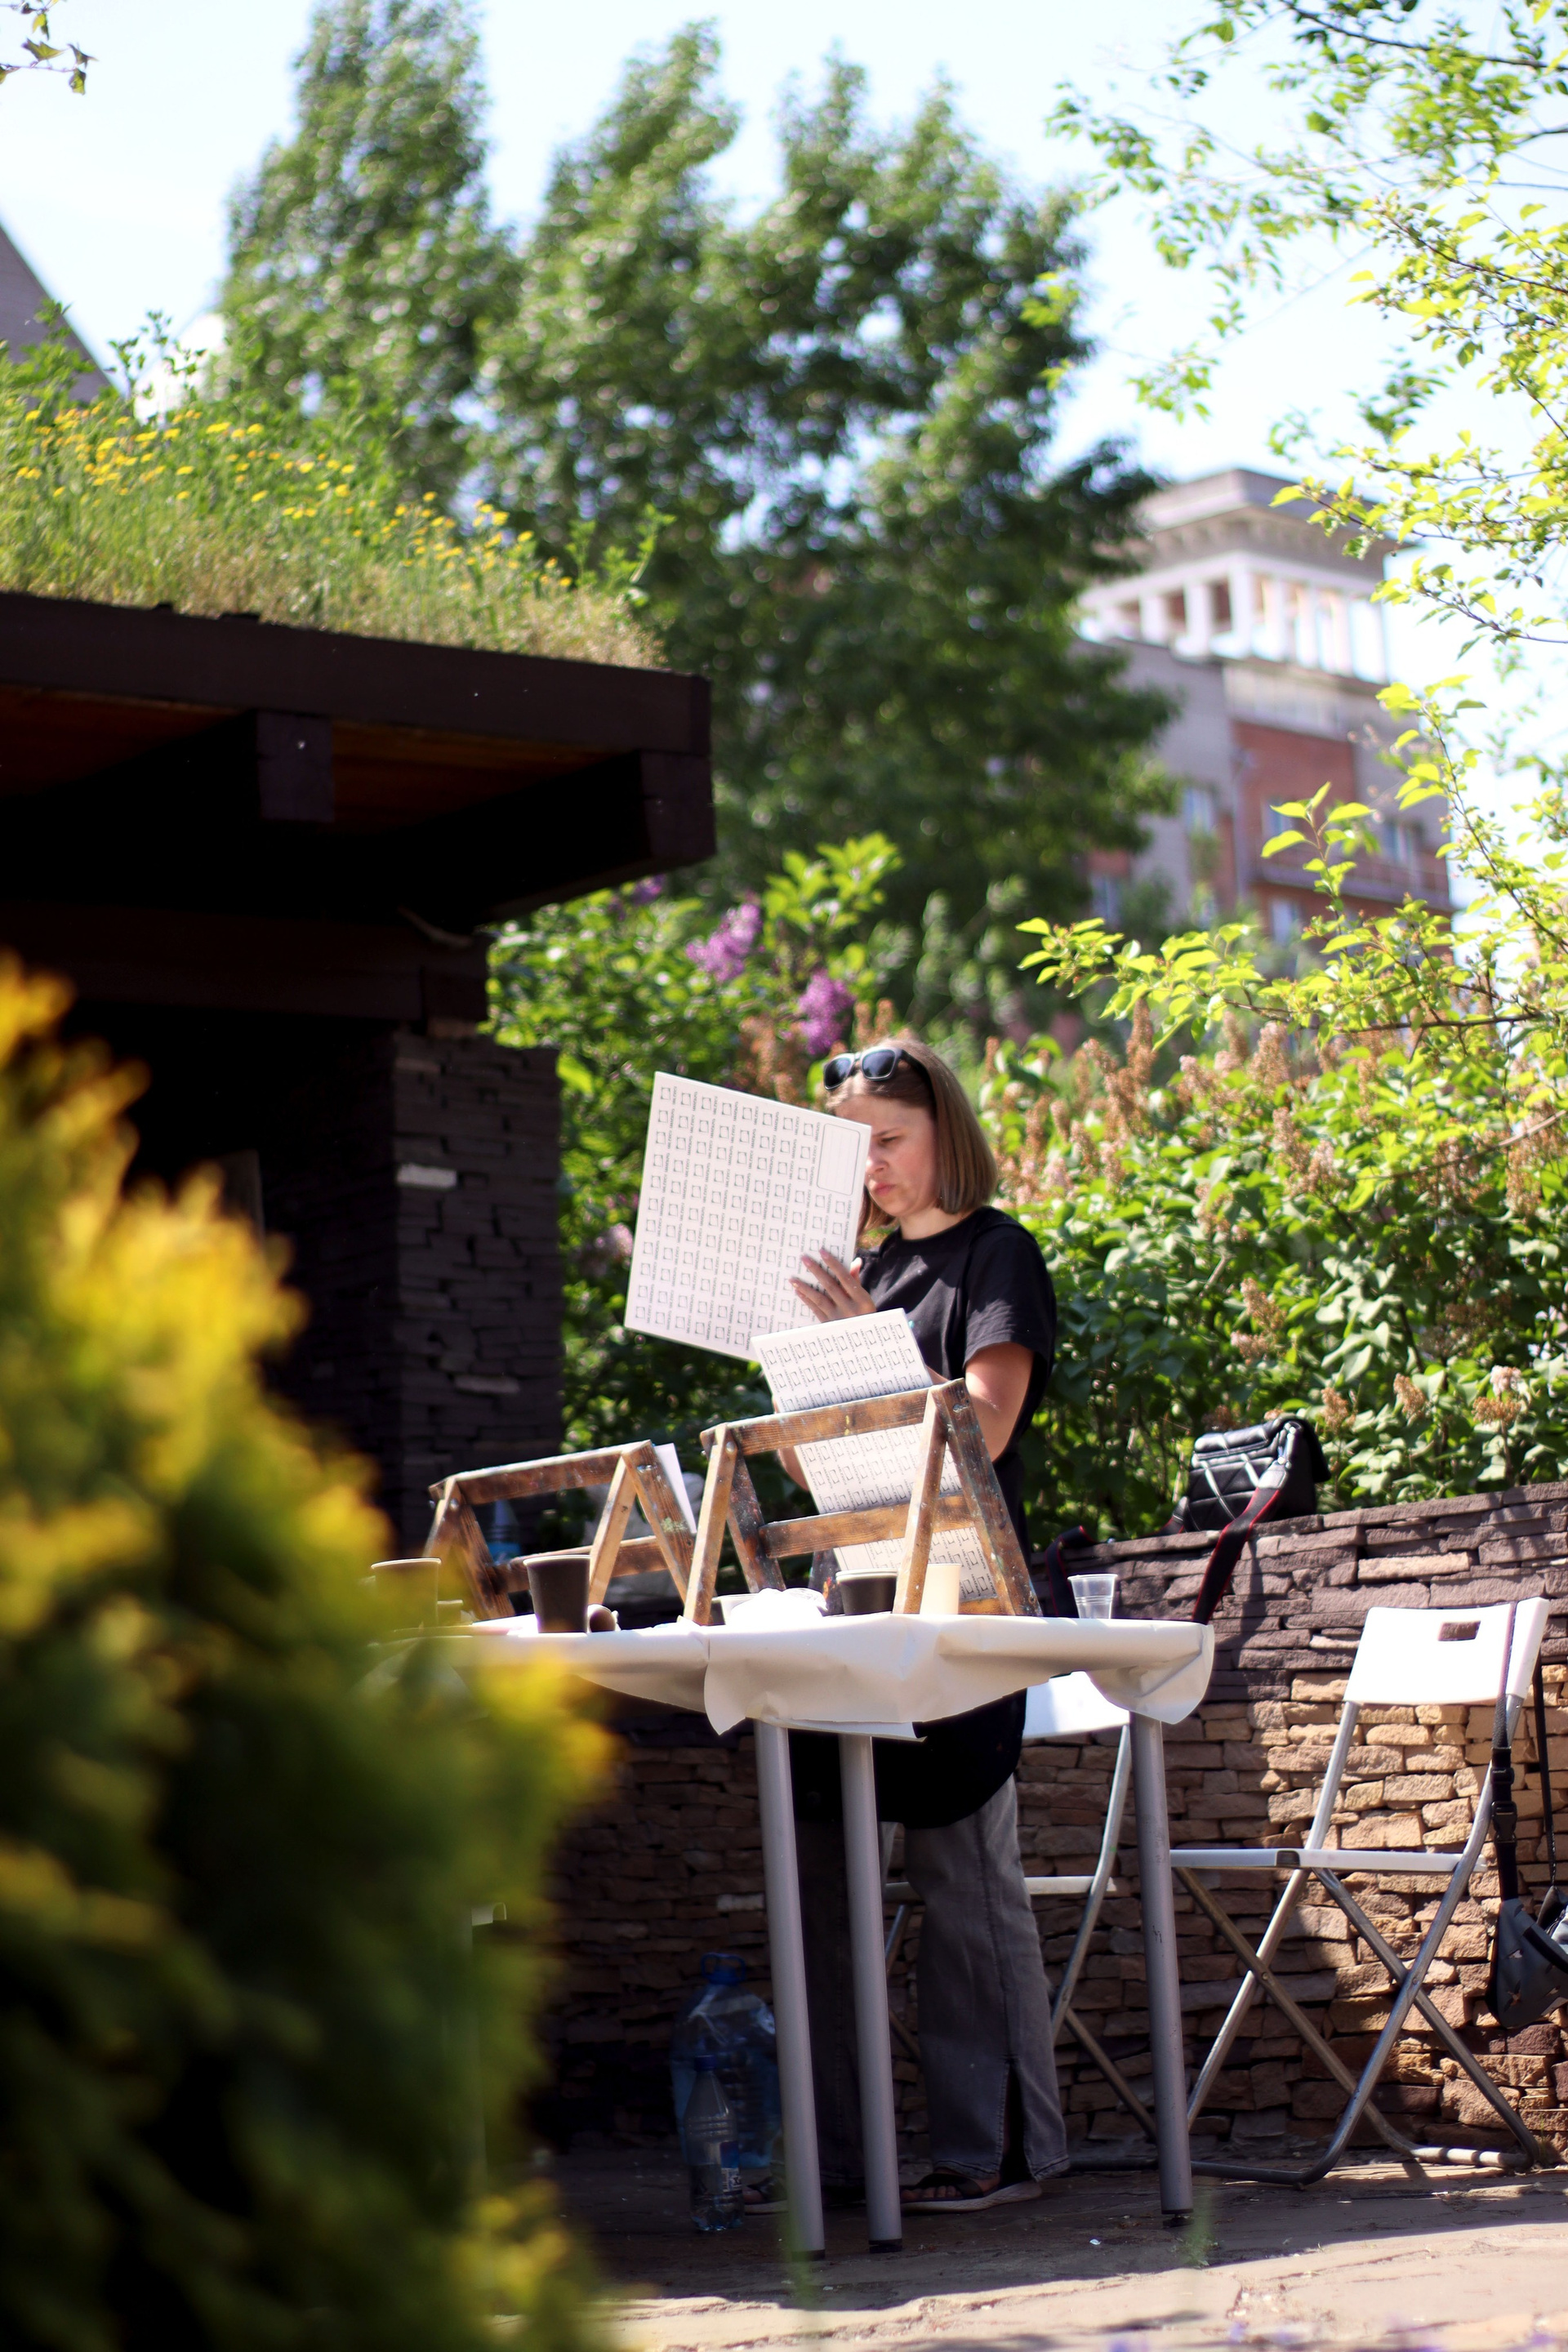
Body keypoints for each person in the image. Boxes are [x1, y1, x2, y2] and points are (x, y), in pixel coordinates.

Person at [784, 1037, 1067, 2215]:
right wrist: (807, 1360)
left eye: (890, 1140)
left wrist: (869, 1349)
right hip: (853, 1605)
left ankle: (996, 2153)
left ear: (945, 1128)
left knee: (963, 1881)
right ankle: (841, 2162)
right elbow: (812, 1470)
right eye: (854, 1150)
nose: (874, 1167)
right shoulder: (855, 1272)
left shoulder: (997, 1255)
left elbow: (982, 1434)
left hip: (965, 1606)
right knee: (818, 1874)